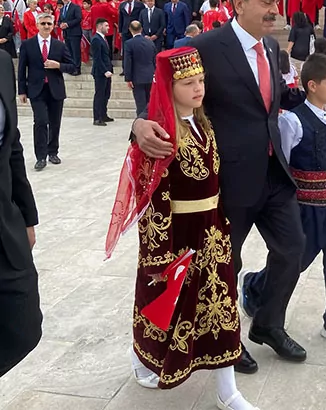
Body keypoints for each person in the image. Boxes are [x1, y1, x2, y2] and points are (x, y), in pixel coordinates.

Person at [132, 0, 326, 374]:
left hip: (273, 173)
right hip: (228, 180)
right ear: (238, 3)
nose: (274, 9)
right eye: (266, 1)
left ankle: (267, 324)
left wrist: (322, 104)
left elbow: (272, 96)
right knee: (225, 263)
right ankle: (227, 341)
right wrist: (140, 125)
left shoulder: (271, 47)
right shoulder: (207, 47)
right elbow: (169, 93)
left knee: (292, 250)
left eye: (276, 1)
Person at [106, 49, 258, 409]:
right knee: (167, 310)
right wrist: (160, 254)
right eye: (188, 83)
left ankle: (227, 391)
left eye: (201, 81)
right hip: (179, 238)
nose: (198, 88)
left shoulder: (204, 125)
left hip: (213, 235)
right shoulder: (161, 135)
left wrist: (222, 224)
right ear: (169, 86)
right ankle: (140, 356)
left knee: (223, 308)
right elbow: (154, 199)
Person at [243, 53, 326, 347]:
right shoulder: (294, 122)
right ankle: (254, 285)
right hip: (305, 208)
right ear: (312, 85)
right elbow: (282, 164)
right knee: (294, 264)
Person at [0, 48, 42, 377]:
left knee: (24, 327)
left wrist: (27, 216)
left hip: (4, 221)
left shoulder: (1, 63)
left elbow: (11, 143)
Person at [18, 13, 74, 169]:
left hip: (55, 89)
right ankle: (40, 156)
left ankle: (53, 152)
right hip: (36, 90)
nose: (46, 26)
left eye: (49, 23)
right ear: (37, 25)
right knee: (41, 122)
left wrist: (59, 66)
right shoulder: (27, 45)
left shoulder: (59, 45)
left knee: (55, 123)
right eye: (43, 23)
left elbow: (73, 66)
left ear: (53, 25)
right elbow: (22, 69)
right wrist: (21, 90)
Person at [124, 21, 156, 115]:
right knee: (150, 102)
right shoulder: (150, 42)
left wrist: (128, 78)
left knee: (141, 104)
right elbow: (154, 59)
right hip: (150, 75)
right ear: (141, 29)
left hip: (137, 77)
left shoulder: (129, 43)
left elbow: (128, 62)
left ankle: (142, 123)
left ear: (130, 30)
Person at [91, 18, 114, 126]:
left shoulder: (103, 38)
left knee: (106, 93)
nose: (108, 28)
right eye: (106, 26)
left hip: (107, 70)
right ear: (100, 26)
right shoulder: (96, 39)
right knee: (99, 94)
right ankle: (97, 117)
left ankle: (103, 114)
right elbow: (97, 58)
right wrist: (104, 70)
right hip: (100, 72)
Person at [58, 0, 83, 75]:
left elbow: (78, 18)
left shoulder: (75, 7)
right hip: (66, 33)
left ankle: (77, 68)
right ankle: (72, 67)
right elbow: (60, 20)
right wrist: (60, 24)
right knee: (69, 52)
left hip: (75, 32)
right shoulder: (62, 9)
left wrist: (67, 24)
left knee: (75, 51)